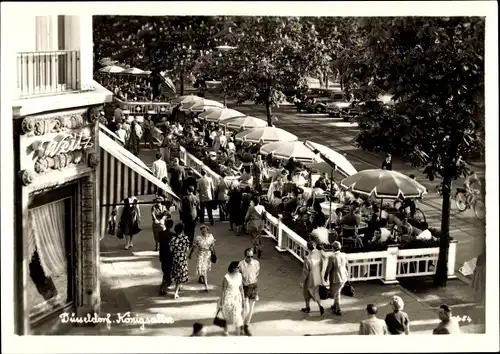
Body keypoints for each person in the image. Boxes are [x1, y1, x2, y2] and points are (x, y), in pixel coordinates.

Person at [219, 261, 245, 336]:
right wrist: (222, 301)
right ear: (233, 268)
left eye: (239, 267)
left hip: (237, 297)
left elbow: (241, 288)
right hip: (228, 297)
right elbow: (223, 290)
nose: (239, 268)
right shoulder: (226, 277)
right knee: (226, 314)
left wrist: (243, 299)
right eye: (238, 267)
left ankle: (239, 330)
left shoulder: (240, 275)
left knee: (237, 314)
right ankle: (226, 329)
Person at [238, 249, 260, 336]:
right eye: (248, 256)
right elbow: (238, 275)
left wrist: (252, 278)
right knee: (246, 308)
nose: (250, 258)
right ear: (245, 256)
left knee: (251, 309)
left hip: (254, 286)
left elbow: (257, 272)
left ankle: (246, 326)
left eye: (252, 256)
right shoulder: (241, 264)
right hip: (245, 287)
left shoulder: (256, 263)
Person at [300, 241, 325, 316]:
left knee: (306, 292)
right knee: (316, 291)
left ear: (308, 248)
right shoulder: (319, 253)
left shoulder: (307, 258)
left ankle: (307, 307)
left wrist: (302, 281)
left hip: (310, 277)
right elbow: (321, 264)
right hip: (317, 276)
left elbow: (305, 272)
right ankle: (320, 305)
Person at [324, 241, 349, 316]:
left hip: (336, 277)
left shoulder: (332, 257)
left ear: (333, 248)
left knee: (337, 294)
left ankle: (338, 309)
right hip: (344, 276)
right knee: (338, 291)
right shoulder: (344, 255)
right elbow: (347, 265)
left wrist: (326, 275)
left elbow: (329, 268)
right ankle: (334, 305)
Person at [189, 225, 216, 292]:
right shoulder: (198, 238)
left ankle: (201, 277)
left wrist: (214, 254)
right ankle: (206, 286)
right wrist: (190, 254)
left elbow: (212, 246)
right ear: (200, 231)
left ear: (207, 231)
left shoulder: (211, 237)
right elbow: (194, 247)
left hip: (208, 255)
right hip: (201, 255)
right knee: (203, 269)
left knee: (205, 269)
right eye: (202, 231)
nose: (204, 232)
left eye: (205, 231)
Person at [169, 223, 190, 299]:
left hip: (175, 258)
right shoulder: (186, 238)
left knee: (177, 273)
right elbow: (187, 249)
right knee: (181, 274)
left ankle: (178, 286)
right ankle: (176, 292)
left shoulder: (173, 239)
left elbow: (171, 250)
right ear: (182, 230)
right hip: (182, 258)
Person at [159, 219, 175, 295]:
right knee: (168, 271)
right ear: (172, 226)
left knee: (165, 270)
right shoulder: (173, 235)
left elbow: (159, 242)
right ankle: (163, 288)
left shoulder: (160, 234)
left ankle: (166, 283)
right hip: (170, 255)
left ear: (165, 224)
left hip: (162, 254)